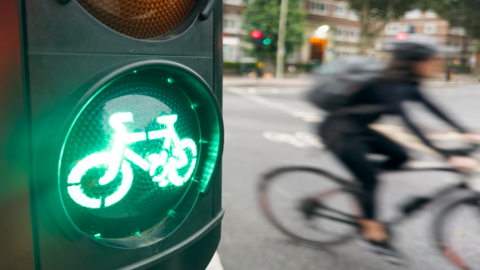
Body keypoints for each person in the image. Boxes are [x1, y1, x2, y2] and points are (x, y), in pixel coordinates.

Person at [319, 36, 480, 264]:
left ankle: (359, 174)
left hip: (357, 128)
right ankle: (371, 236)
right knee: (371, 181)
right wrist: (447, 155)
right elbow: (410, 123)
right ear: (414, 62)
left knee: (401, 156)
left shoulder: (408, 84)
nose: (439, 64)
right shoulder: (388, 85)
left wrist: (465, 132)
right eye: (433, 60)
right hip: (338, 131)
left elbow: (433, 107)